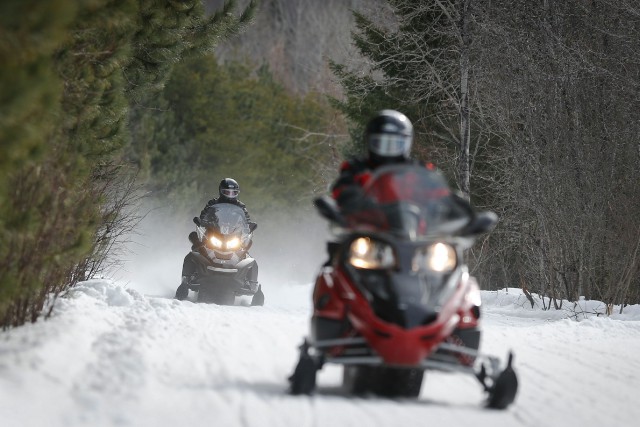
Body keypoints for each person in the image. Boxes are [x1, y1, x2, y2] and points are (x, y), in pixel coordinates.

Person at [175, 178, 258, 300]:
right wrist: (202, 221)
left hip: (233, 236)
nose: (230, 195)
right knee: (195, 250)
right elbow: (204, 216)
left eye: (233, 193)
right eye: (227, 192)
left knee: (247, 255)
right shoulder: (212, 203)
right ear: (221, 191)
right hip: (214, 234)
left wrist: (249, 226)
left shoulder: (241, 206)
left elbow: (246, 220)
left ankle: (250, 283)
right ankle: (187, 278)